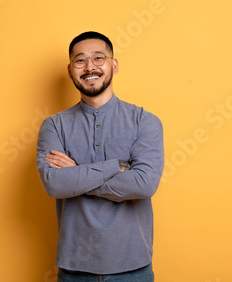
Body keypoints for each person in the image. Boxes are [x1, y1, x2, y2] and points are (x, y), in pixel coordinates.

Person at [36, 31, 164, 282]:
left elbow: (144, 183)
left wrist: (77, 173)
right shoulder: (53, 126)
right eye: (80, 60)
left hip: (133, 267)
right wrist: (116, 166)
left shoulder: (144, 121)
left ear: (113, 65)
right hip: (74, 270)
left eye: (98, 57)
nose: (89, 67)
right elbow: (54, 184)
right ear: (70, 69)